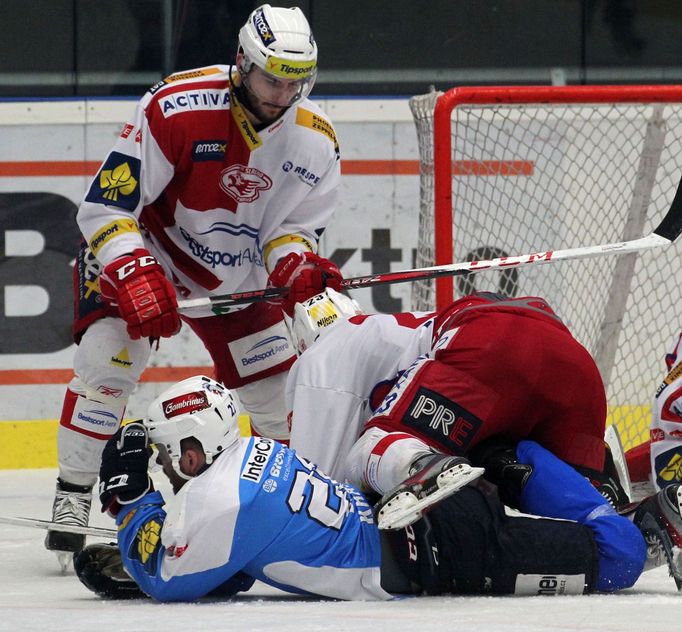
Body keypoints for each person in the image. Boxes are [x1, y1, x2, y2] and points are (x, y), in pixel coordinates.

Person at [47, 4, 343, 560]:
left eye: (295, 81)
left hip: (234, 281)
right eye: (271, 78)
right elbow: (106, 207)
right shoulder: (175, 106)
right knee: (104, 368)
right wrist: (134, 271)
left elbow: (293, 231)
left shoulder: (316, 141)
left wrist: (295, 265)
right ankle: (73, 493)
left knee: (279, 397)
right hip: (148, 254)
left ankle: (283, 506)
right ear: (241, 64)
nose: (282, 94)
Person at [74, 375, 665, 602]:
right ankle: (563, 476)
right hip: (421, 505)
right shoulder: (256, 454)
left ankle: (635, 517)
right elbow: (237, 557)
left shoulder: (220, 500)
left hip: (443, 556)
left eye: (167, 456)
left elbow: (161, 577)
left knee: (620, 561)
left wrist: (131, 501)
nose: (169, 469)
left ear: (191, 447)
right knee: (500, 461)